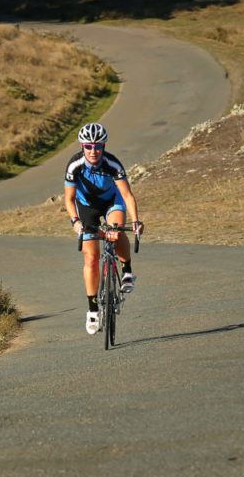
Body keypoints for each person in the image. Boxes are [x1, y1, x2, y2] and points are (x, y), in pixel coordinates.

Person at [64, 122, 144, 334]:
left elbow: (127, 195)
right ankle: (92, 311)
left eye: (98, 146)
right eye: (89, 146)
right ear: (83, 146)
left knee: (116, 231)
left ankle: (127, 271)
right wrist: (75, 222)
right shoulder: (75, 165)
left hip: (111, 201)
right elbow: (69, 199)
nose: (93, 151)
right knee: (91, 258)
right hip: (86, 206)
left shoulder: (113, 164)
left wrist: (136, 221)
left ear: (104, 146)